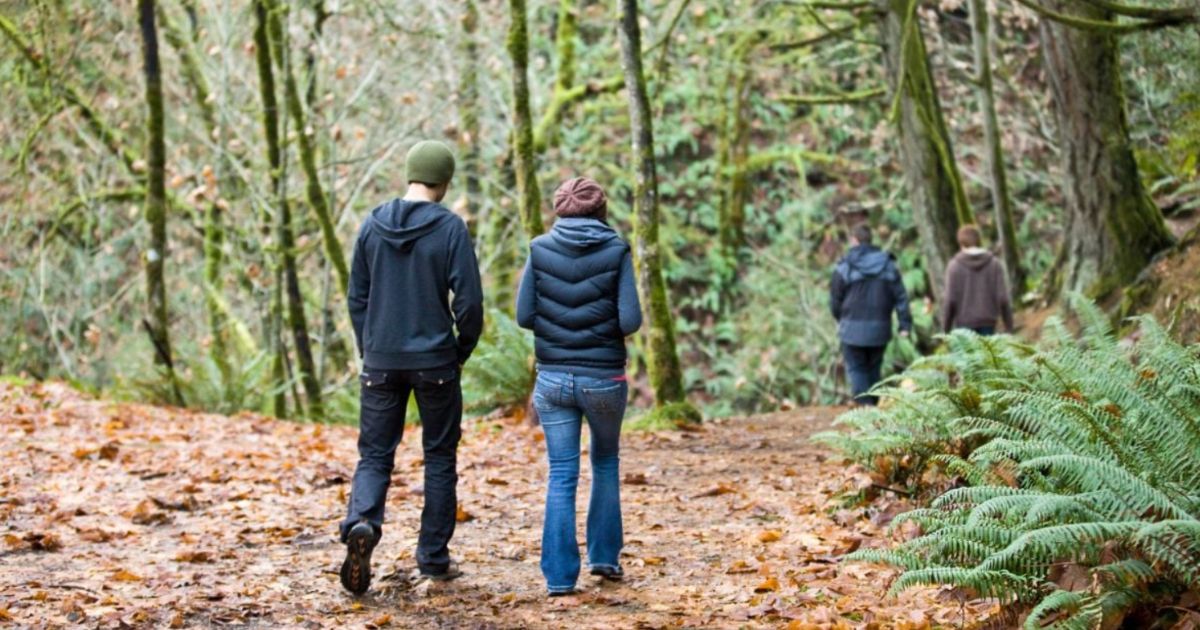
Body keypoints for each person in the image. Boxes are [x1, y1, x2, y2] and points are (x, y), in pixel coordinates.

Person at [339, 140, 484, 595]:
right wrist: (462, 347)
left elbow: (357, 297)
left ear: (410, 175)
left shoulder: (371, 224)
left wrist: (371, 345)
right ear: (444, 181)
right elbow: (470, 301)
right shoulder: (450, 229)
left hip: (381, 359)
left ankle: (362, 522)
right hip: (436, 360)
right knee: (439, 456)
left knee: (376, 454)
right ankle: (434, 560)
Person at [515, 177, 642, 596]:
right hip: (604, 377)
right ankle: (604, 558)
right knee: (604, 462)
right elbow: (630, 321)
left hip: (552, 378)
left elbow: (523, 314)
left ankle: (558, 577)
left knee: (562, 472)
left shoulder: (539, 249)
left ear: (560, 210)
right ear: (600, 210)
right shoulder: (617, 249)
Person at [829, 223, 912, 406]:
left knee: (857, 369)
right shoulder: (888, 265)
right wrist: (904, 324)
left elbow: (835, 299)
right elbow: (901, 297)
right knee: (874, 368)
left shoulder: (844, 267)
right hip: (880, 329)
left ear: (854, 240)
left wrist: (839, 319)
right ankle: (873, 408)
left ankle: (866, 409)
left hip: (851, 329)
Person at [941, 224, 1013, 336]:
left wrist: (945, 330)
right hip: (989, 322)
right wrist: (1009, 326)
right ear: (979, 241)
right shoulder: (994, 263)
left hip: (964, 326)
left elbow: (950, 300)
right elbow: (1003, 297)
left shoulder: (954, 266)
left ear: (961, 243)